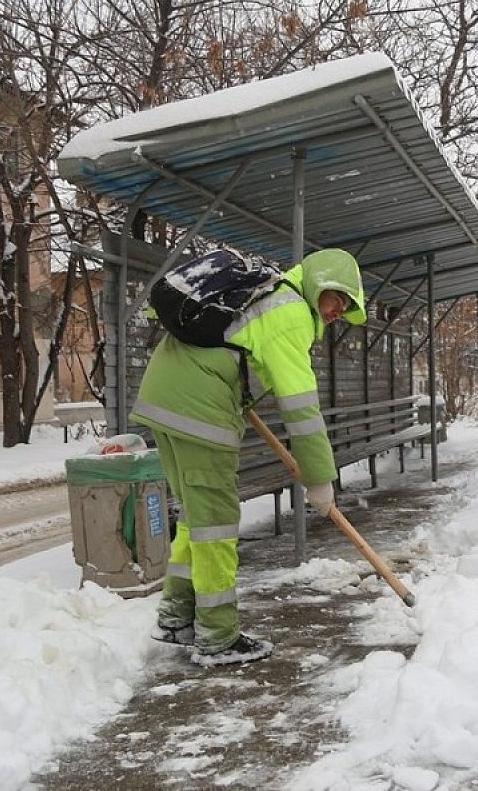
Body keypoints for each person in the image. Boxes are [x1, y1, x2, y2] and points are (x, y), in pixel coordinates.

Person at [130, 247, 366, 666]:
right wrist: (319, 479)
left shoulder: (266, 295)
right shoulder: (290, 313)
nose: (338, 311)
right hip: (197, 413)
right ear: (318, 283)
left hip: (164, 402)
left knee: (196, 519)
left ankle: (175, 616)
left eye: (347, 306)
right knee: (216, 525)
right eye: (337, 298)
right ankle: (218, 636)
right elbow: (301, 409)